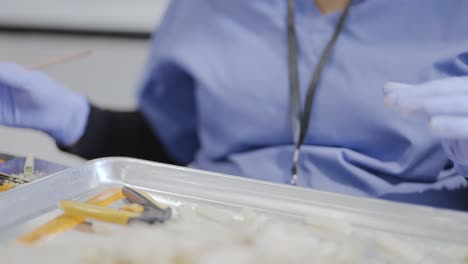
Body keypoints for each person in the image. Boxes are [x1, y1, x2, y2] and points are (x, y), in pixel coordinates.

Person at [1, 0, 468, 210]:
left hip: (401, 239)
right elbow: (174, 143)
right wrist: (79, 120)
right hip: (207, 230)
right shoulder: (209, 6)